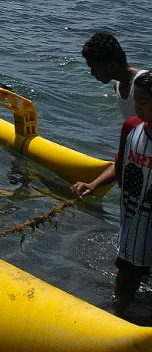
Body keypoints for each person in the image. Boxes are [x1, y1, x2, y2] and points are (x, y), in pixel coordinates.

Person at [71, 71, 152, 314]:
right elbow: (120, 164)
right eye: (135, 99)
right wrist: (94, 184)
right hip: (132, 221)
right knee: (124, 283)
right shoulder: (132, 128)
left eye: (143, 101)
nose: (136, 105)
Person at [82, 32, 148, 119]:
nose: (92, 73)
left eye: (94, 68)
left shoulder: (145, 84)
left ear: (112, 65)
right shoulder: (117, 85)